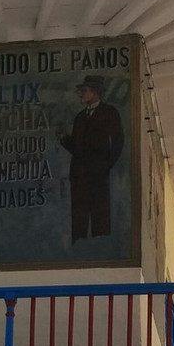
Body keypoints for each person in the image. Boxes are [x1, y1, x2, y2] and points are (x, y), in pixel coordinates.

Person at [58, 75, 123, 244]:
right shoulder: (80, 117)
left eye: (84, 91)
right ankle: (79, 245)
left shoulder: (109, 113)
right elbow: (77, 148)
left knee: (99, 212)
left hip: (98, 173)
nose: (81, 94)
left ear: (95, 92)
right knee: (79, 213)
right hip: (79, 175)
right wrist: (64, 139)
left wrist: (106, 165)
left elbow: (117, 142)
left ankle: (101, 245)